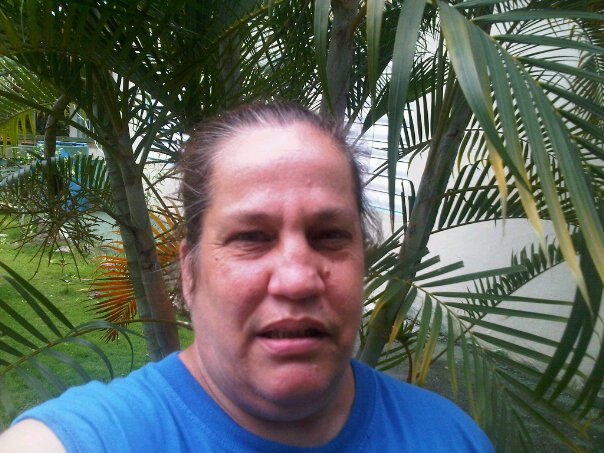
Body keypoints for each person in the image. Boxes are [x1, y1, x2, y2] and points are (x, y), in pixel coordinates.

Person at [0, 102, 494, 452]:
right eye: (251, 237)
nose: (297, 280)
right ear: (189, 274)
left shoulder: (451, 436)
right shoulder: (102, 437)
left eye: (329, 236)